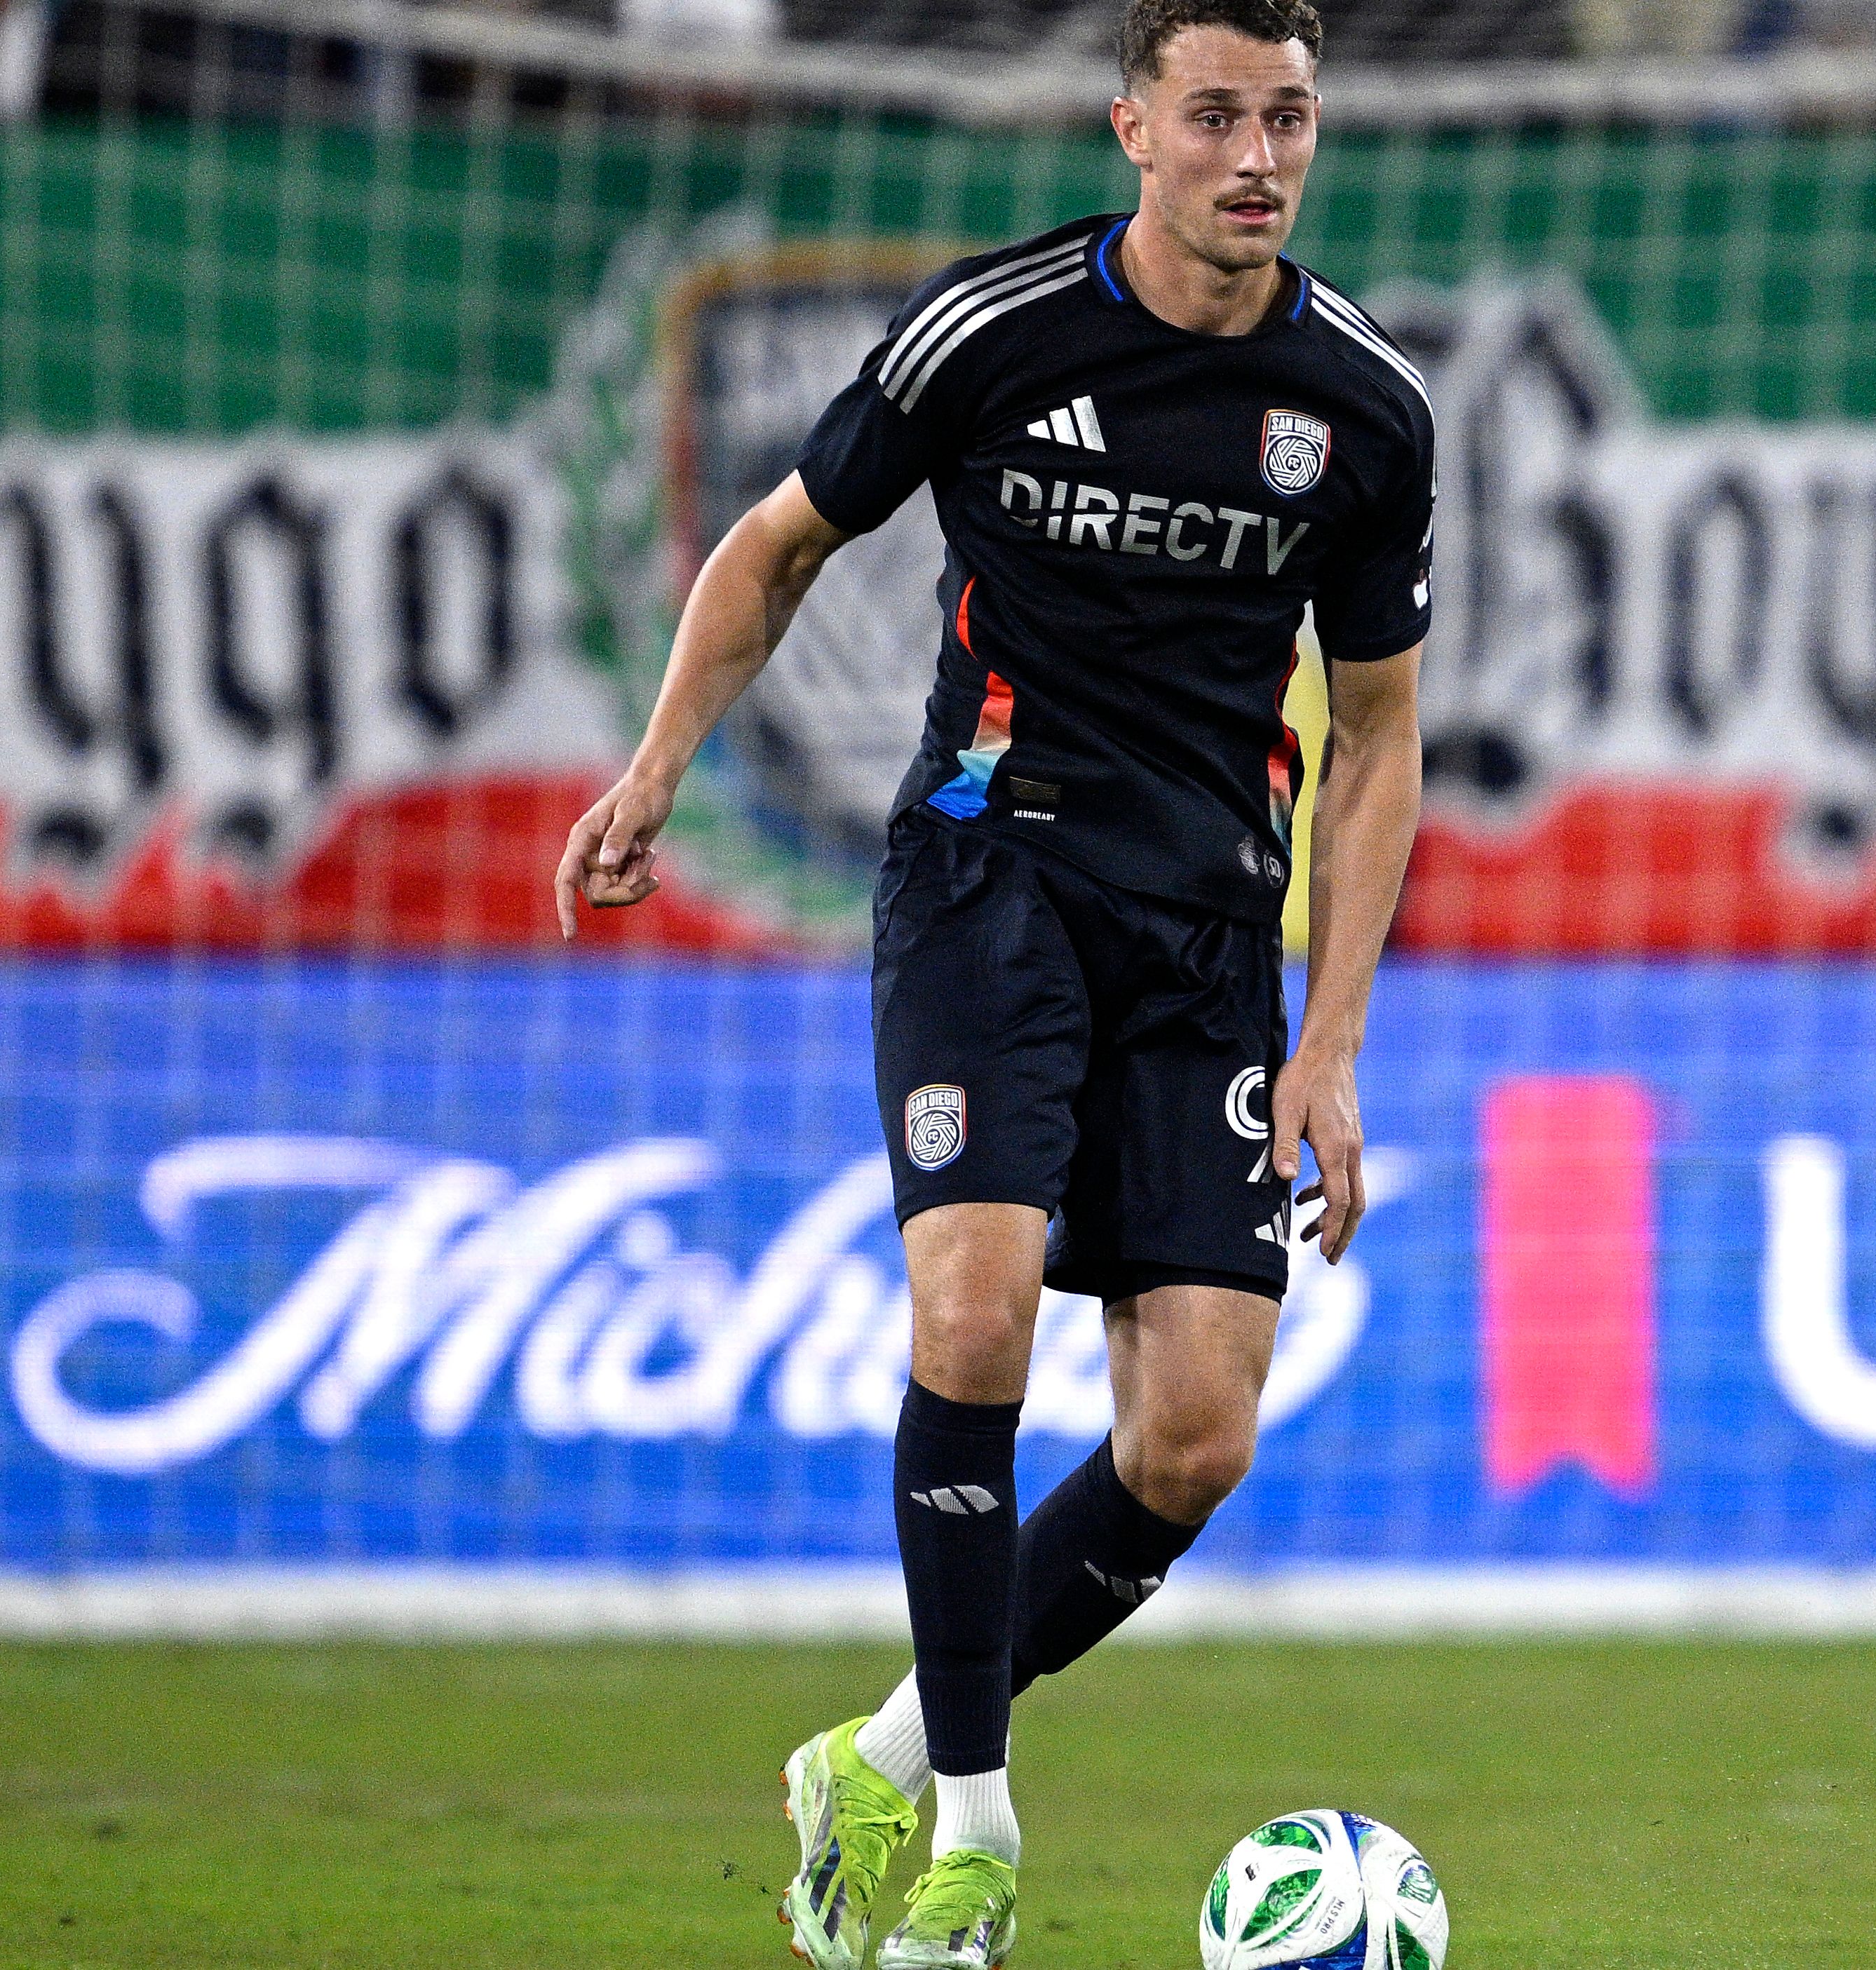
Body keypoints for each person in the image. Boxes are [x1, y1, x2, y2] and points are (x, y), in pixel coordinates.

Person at [551, 1, 1434, 1960]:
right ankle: (972, 1831)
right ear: (1133, 124)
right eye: (1215, 115)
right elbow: (778, 547)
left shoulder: (1364, 408)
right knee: (973, 1320)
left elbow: (1378, 737)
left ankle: (872, 1750)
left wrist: (1337, 1044)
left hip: (1208, 934)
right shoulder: (994, 329)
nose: (1256, 157)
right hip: (989, 875)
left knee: (1196, 1433)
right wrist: (658, 763)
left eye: (1288, 118)